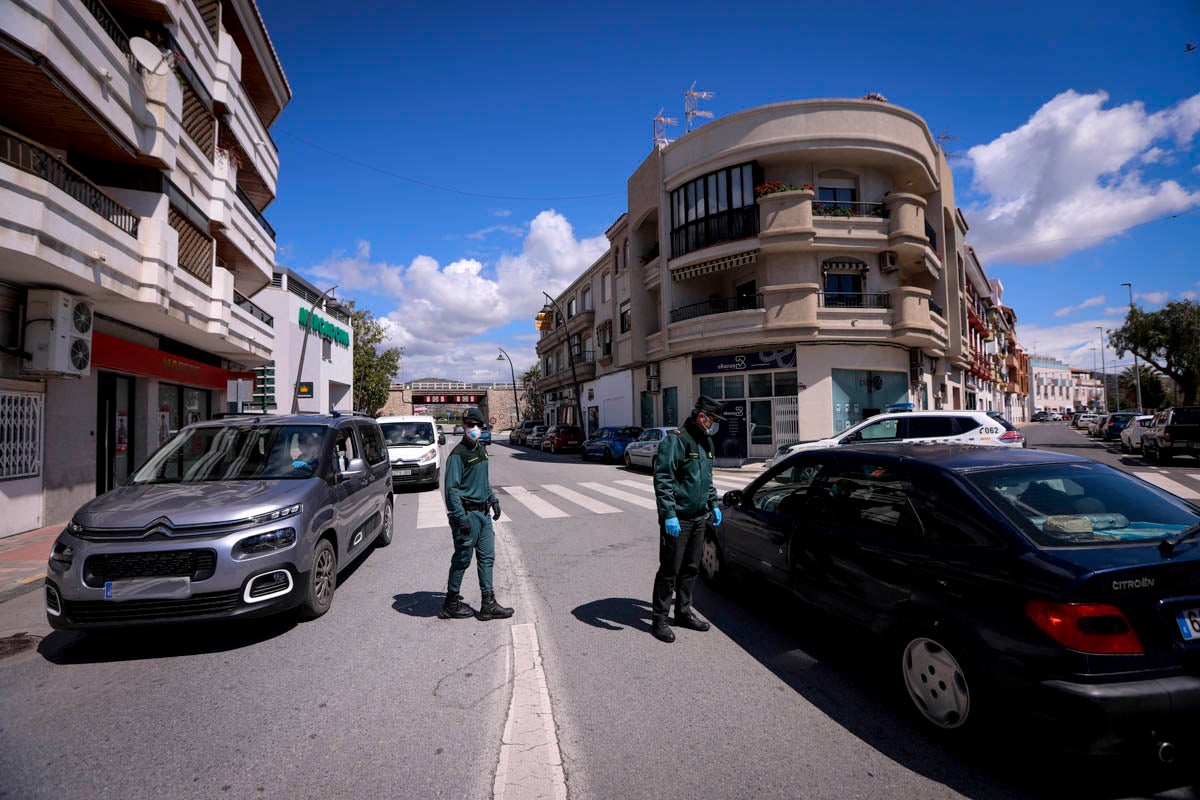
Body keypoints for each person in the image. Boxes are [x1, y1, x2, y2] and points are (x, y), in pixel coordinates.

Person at [649, 395, 724, 643]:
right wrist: (669, 514)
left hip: (699, 518)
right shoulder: (677, 440)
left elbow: (707, 479)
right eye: (713, 420)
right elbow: (663, 480)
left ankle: (683, 613)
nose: (714, 425)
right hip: (678, 519)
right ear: (702, 417)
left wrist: (713, 503)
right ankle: (659, 619)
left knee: (691, 569)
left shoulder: (705, 442)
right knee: (670, 570)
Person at [440, 408, 514, 621]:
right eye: (470, 425)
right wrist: (460, 517)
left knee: (487, 558)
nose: (475, 429)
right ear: (463, 426)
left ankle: (488, 604)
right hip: (467, 515)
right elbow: (451, 489)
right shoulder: (458, 455)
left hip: (483, 514)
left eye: (478, 425)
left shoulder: (481, 449)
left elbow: (483, 480)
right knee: (462, 559)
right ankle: (451, 603)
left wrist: (493, 499)